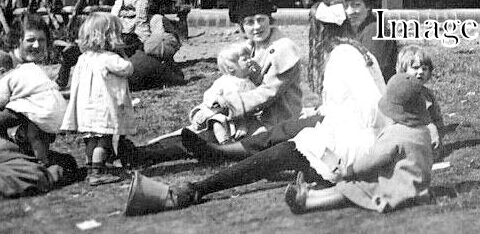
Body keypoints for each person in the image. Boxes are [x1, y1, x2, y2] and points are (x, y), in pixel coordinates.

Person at [125, 39, 386, 215]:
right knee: (283, 147)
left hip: (348, 147)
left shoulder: (342, 55)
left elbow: (374, 109)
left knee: (281, 151)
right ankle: (194, 176)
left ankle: (191, 189)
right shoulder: (353, 53)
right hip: (336, 136)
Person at [124, 0, 303, 167]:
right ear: (241, 27)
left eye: (261, 20)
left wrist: (227, 104)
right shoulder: (253, 45)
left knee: (208, 136)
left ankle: (148, 155)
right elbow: (232, 65)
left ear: (270, 21)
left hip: (275, 121)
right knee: (199, 130)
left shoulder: (283, 49)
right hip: (250, 114)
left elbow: (268, 93)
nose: (256, 27)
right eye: (249, 22)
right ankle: (144, 151)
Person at [283, 71, 435, 215]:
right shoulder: (423, 131)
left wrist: (351, 170)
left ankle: (308, 202)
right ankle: (311, 194)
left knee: (352, 188)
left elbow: (374, 159)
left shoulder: (395, 134)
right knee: (354, 186)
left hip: (395, 190)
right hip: (416, 186)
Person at [0, 56, 79, 201]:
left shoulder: (28, 72)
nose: (36, 45)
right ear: (20, 40)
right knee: (40, 173)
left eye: (42, 40)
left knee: (66, 163)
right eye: (30, 39)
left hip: (13, 146)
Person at [60, 13, 134, 185]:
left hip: (86, 109)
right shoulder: (110, 58)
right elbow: (128, 68)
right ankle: (98, 172)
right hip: (103, 109)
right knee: (104, 139)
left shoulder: (82, 59)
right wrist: (123, 53)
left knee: (91, 139)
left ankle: (91, 167)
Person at [0, 50, 66, 167]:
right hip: (56, 107)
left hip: (39, 109)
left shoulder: (5, 79)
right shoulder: (28, 68)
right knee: (37, 134)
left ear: (2, 71)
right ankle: (41, 158)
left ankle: (39, 162)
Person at [308, 0, 397, 91]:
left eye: (356, 5)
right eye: (345, 6)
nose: (350, 11)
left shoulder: (374, 30)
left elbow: (370, 77)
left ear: (368, 7)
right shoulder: (348, 33)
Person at [188, 41, 261, 144]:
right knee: (218, 123)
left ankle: (240, 139)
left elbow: (252, 103)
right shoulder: (224, 81)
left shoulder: (250, 84)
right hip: (219, 113)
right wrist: (218, 98)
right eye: (245, 59)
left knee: (253, 125)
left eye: (249, 57)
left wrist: (243, 123)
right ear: (231, 68)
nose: (250, 61)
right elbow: (209, 95)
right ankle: (224, 143)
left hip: (239, 117)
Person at [395, 46, 444, 150]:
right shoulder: (400, 94)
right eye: (415, 68)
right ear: (403, 71)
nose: (421, 72)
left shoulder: (427, 94)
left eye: (424, 69)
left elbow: (437, 118)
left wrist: (437, 133)